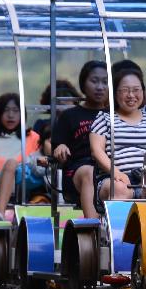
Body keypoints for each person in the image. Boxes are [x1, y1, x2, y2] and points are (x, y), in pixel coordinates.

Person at [90, 69, 146, 201]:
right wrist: (116, 173)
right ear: (115, 93)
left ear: (143, 92)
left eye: (136, 90)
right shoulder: (104, 118)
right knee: (119, 189)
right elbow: (97, 151)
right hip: (114, 177)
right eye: (125, 90)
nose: (131, 95)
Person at [51, 61, 109, 218]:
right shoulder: (69, 116)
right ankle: (93, 228)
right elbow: (57, 145)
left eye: (105, 82)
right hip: (78, 170)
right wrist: (61, 147)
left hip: (109, 168)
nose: (100, 87)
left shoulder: (114, 115)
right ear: (83, 83)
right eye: (94, 81)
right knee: (89, 173)